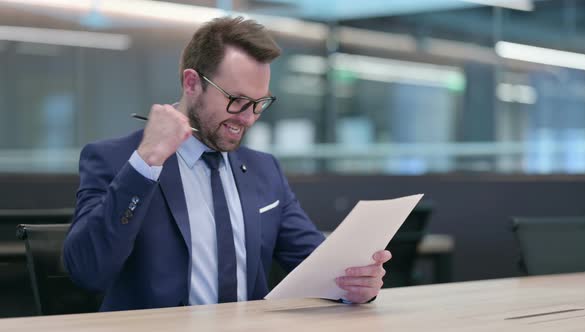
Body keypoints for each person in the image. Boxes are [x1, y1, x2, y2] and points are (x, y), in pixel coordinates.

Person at [63, 16, 391, 312]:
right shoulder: (118, 160)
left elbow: (317, 267)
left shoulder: (265, 171)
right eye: (236, 101)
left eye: (260, 103)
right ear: (192, 84)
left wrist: (355, 284)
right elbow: (87, 271)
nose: (248, 118)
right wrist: (146, 162)